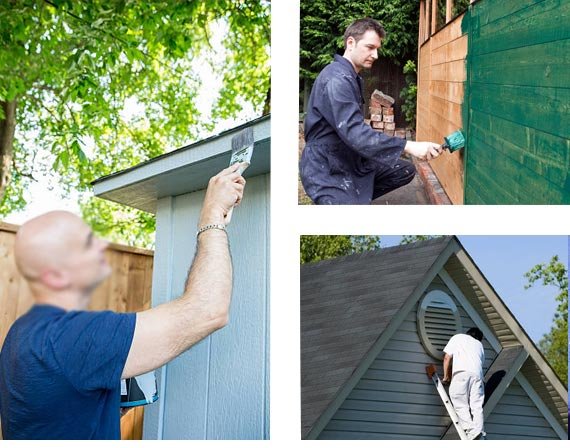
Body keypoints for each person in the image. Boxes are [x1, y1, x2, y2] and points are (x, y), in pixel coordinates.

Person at [0, 163, 246, 440]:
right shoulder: (73, 337)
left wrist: (108, 401)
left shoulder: (22, 332)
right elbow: (208, 311)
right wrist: (211, 216)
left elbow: (62, 412)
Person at [300, 18, 442, 205]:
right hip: (327, 166)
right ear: (350, 43)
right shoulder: (337, 80)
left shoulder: (350, 76)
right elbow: (356, 133)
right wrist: (408, 146)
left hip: (349, 156)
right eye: (370, 47)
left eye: (377, 49)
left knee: (404, 170)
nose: (375, 55)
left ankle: (356, 198)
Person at [442, 327, 486, 440]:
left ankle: (472, 431)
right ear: (478, 338)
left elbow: (447, 357)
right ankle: (479, 430)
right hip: (478, 376)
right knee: (476, 406)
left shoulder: (458, 337)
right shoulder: (479, 345)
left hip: (461, 374)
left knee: (460, 402)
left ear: (468, 333)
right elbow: (479, 362)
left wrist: (446, 376)